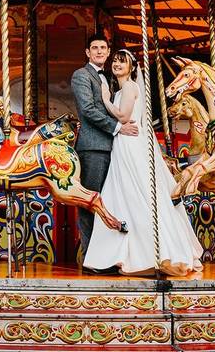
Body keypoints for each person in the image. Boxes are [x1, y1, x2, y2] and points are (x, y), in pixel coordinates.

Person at [83, 48, 204, 276]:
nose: (118, 64)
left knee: (135, 193)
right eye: (116, 61)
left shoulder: (129, 87)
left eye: (123, 62)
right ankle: (124, 253)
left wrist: (106, 100)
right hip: (123, 143)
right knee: (122, 194)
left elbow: (124, 116)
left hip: (130, 144)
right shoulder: (124, 88)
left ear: (131, 67)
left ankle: (148, 251)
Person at [71, 33, 139, 261]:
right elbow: (88, 110)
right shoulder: (81, 75)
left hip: (115, 148)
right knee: (91, 200)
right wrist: (119, 128)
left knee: (112, 200)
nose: (99, 51)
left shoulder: (111, 79)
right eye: (95, 48)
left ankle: (112, 253)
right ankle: (90, 255)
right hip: (94, 146)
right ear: (88, 53)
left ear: (108, 52)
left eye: (103, 48)